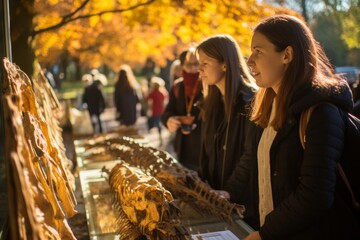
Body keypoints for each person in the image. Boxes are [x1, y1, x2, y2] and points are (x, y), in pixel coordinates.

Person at [239, 15, 360, 239]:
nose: (249, 61)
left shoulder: (321, 113)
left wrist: (264, 234)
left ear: (287, 55)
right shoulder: (267, 108)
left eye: (259, 51)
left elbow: (315, 195)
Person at [195, 34, 258, 197]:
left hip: (240, 204)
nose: (199, 69)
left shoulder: (251, 101)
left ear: (224, 64)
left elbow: (251, 155)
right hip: (214, 198)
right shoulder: (209, 103)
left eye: (205, 63)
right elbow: (206, 152)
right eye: (199, 63)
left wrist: (229, 192)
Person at [161, 47, 203, 171]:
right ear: (182, 66)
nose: (193, 68)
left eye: (196, 64)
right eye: (189, 64)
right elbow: (167, 112)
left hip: (204, 148)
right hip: (183, 147)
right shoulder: (178, 86)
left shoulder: (208, 85)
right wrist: (169, 120)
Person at [147, 76, 169, 145]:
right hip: (161, 110)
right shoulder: (163, 92)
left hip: (155, 110)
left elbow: (148, 100)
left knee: (157, 123)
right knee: (160, 123)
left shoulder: (153, 92)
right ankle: (161, 136)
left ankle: (159, 135)